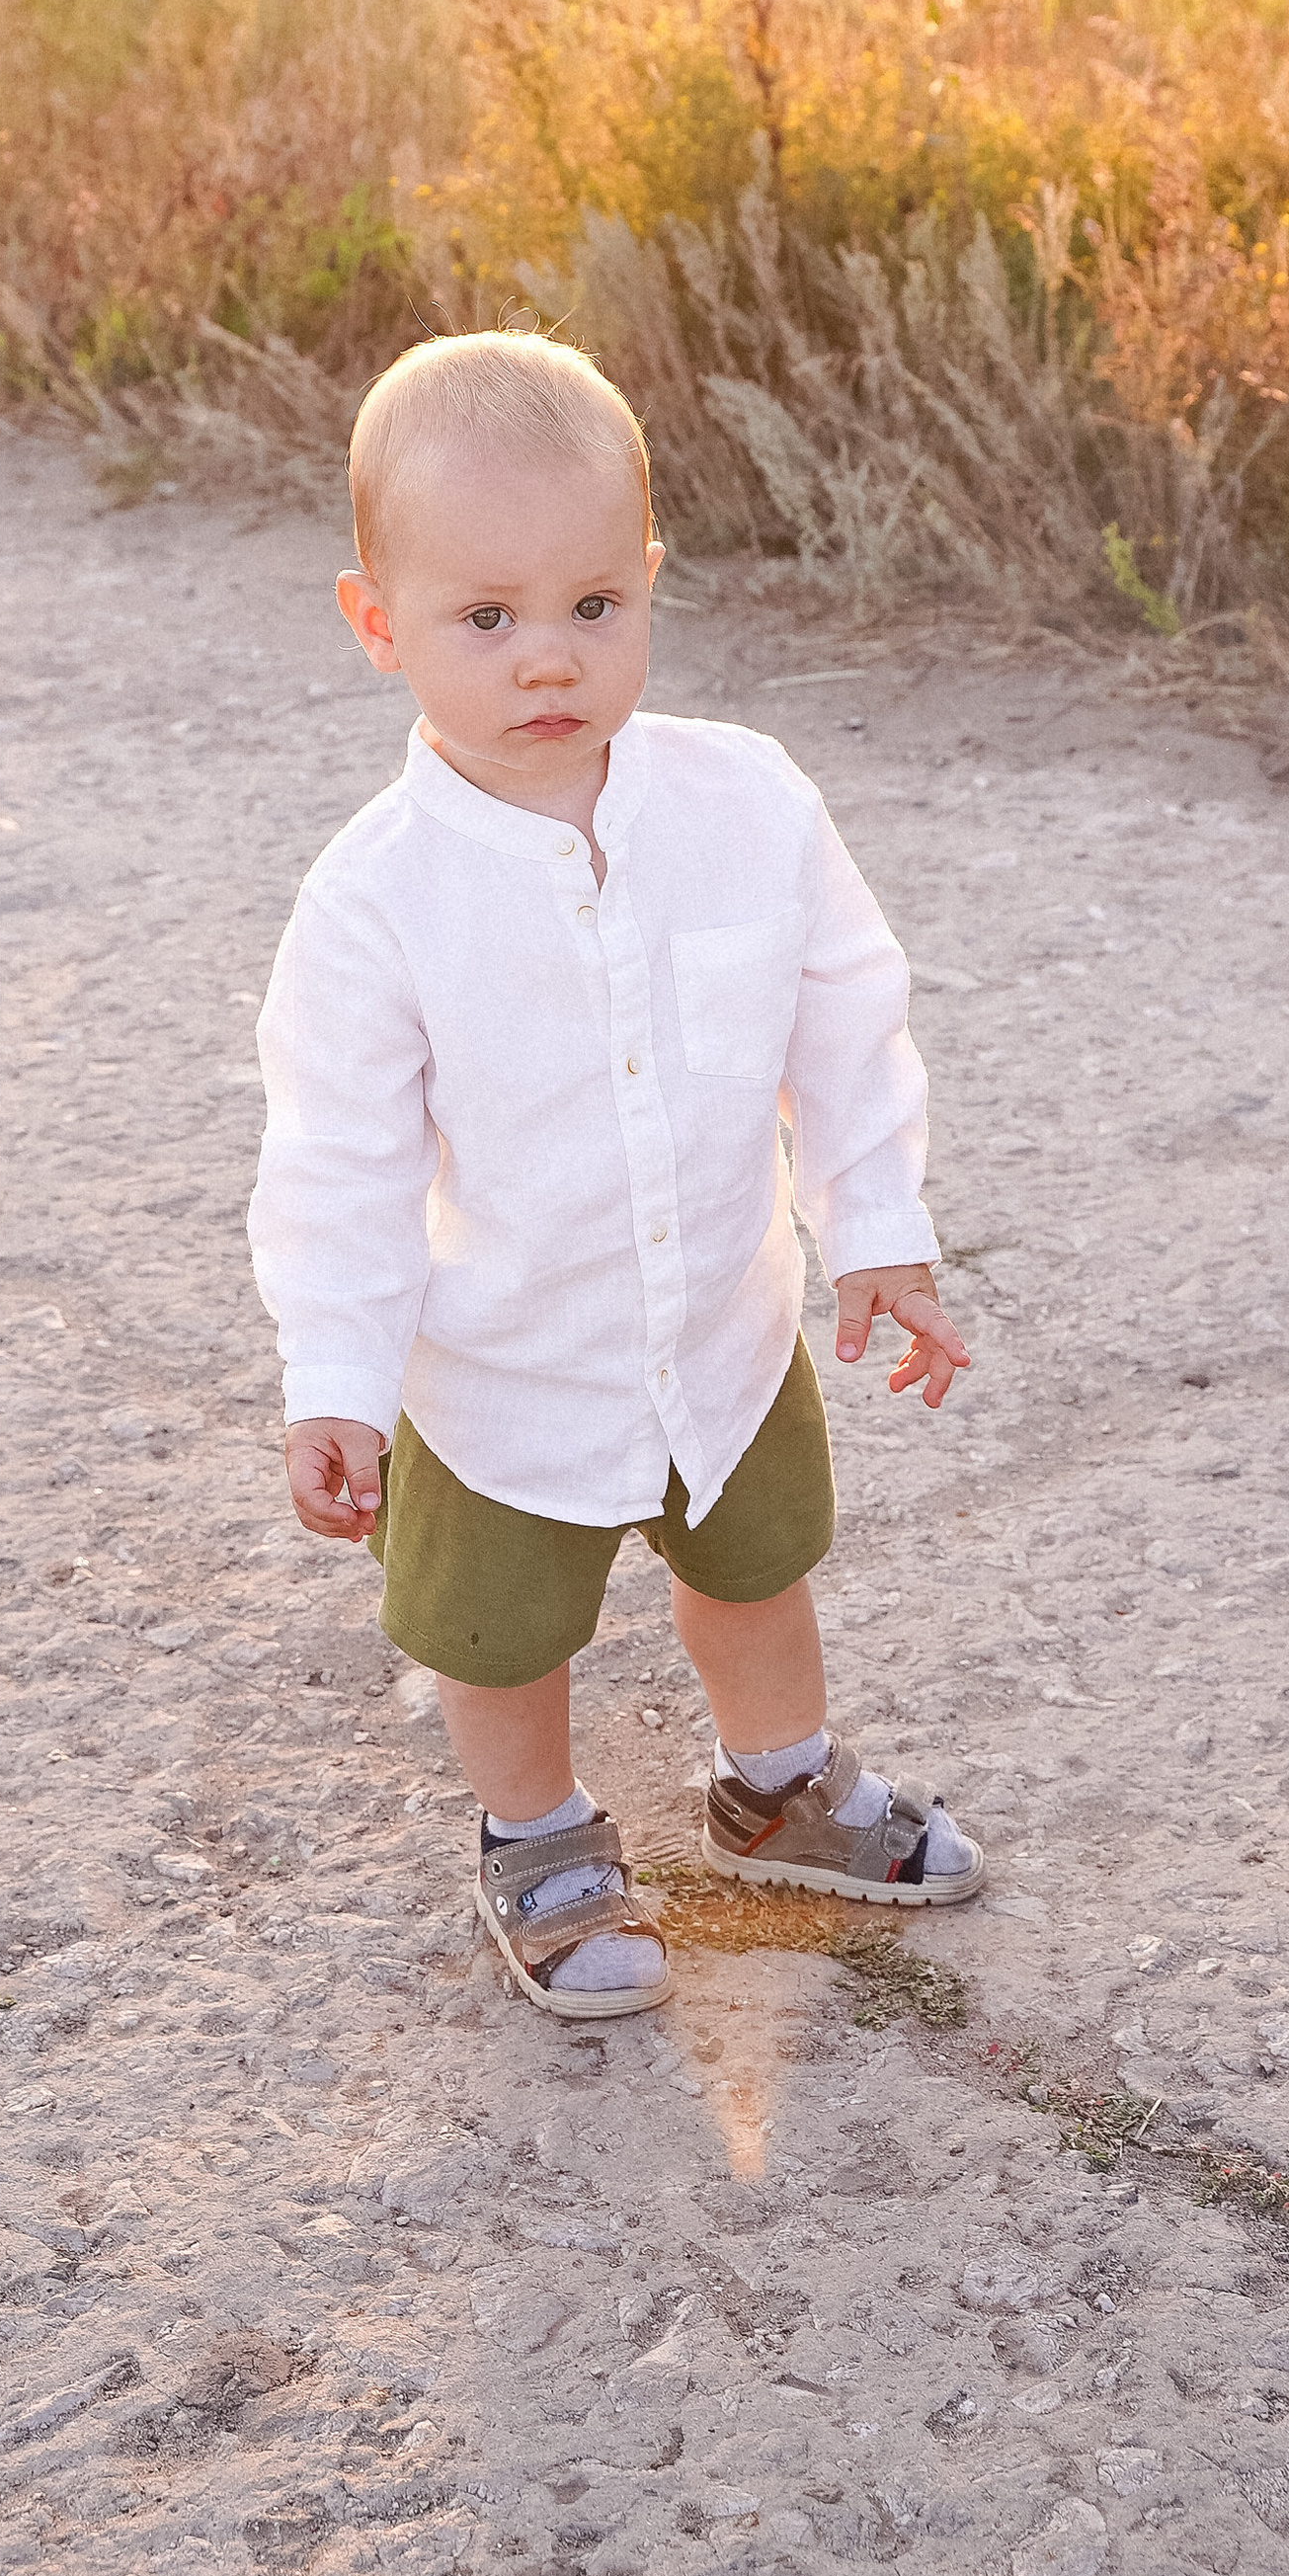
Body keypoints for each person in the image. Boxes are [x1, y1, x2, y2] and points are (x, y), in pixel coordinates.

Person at [249, 331, 982, 2020]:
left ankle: (776, 1783)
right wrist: (337, 1382)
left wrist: (878, 1232)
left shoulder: (746, 804)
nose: (548, 660)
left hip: (722, 1323)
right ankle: (541, 1832)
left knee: (755, 1561)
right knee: (500, 1633)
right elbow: (341, 1163)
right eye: (484, 618)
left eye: (595, 605)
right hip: (507, 1360)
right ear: (380, 624)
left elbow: (845, 1019)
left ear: (649, 582)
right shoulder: (377, 904)